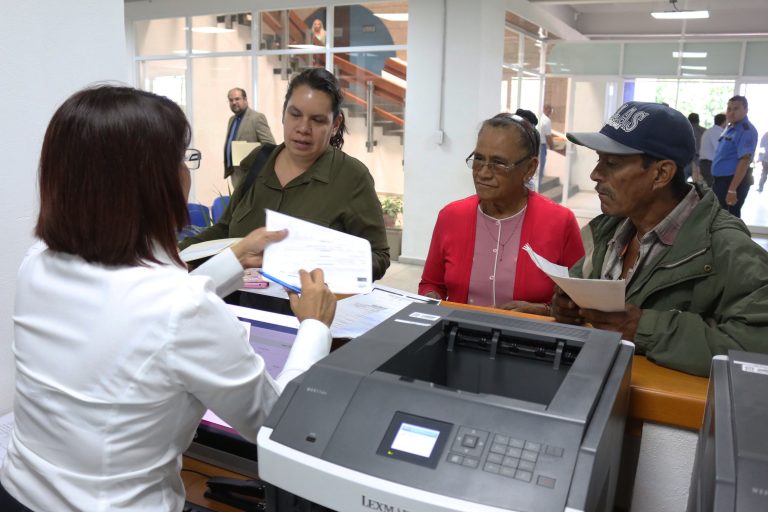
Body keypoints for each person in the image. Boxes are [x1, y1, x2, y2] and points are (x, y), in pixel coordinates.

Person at [0, 85, 336, 512]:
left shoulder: (36, 265)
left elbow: (135, 313)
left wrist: (233, 259)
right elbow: (276, 424)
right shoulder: (182, 306)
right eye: (182, 157)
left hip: (18, 495)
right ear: (156, 182)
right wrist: (313, 327)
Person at [553, 101, 768, 377]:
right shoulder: (609, 230)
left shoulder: (726, 248)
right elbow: (582, 290)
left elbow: (756, 348)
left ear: (661, 173)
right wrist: (564, 306)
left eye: (611, 163)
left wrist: (645, 329)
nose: (596, 174)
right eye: (598, 160)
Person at [181, 68, 390, 283]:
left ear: (335, 125)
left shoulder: (352, 177)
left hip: (305, 312)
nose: (303, 128)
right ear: (283, 113)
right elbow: (224, 230)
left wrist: (313, 264)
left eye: (317, 120)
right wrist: (172, 256)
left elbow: (378, 258)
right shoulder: (259, 161)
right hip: (236, 306)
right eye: (295, 114)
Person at [419, 113, 584, 314]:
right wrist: (430, 297)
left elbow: (578, 304)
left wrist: (544, 310)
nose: (483, 173)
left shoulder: (560, 222)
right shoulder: (451, 216)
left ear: (530, 168)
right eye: (478, 159)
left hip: (531, 340)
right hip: (459, 336)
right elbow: (431, 283)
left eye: (498, 163)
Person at [712, 95, 759, 218]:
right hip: (722, 180)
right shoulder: (730, 128)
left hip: (732, 181)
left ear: (746, 110)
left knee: (728, 218)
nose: (731, 113)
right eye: (729, 109)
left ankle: (731, 238)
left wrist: (732, 189)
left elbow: (744, 161)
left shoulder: (746, 131)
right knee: (720, 216)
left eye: (736, 109)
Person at [224, 87, 276, 188]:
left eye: (237, 99)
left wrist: (245, 151)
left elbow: (270, 145)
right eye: (231, 100)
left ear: (245, 100)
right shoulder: (232, 120)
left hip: (250, 174)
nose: (234, 102)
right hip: (235, 173)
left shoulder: (257, 118)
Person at [698, 113, 726, 188]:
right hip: (709, 164)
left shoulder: (709, 131)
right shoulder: (717, 132)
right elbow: (719, 149)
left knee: (709, 188)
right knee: (713, 189)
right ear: (724, 122)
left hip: (706, 164)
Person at [538, 104, 555, 190]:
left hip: (537, 144)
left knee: (538, 166)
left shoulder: (540, 118)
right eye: (549, 109)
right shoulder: (547, 120)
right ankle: (538, 188)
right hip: (542, 145)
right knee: (541, 167)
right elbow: (548, 136)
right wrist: (552, 146)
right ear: (546, 109)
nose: (550, 111)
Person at [685, 113, 706, 183]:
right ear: (698, 120)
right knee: (700, 186)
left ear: (688, 120)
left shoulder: (684, 130)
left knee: (680, 184)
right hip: (701, 162)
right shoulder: (705, 131)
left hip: (686, 161)